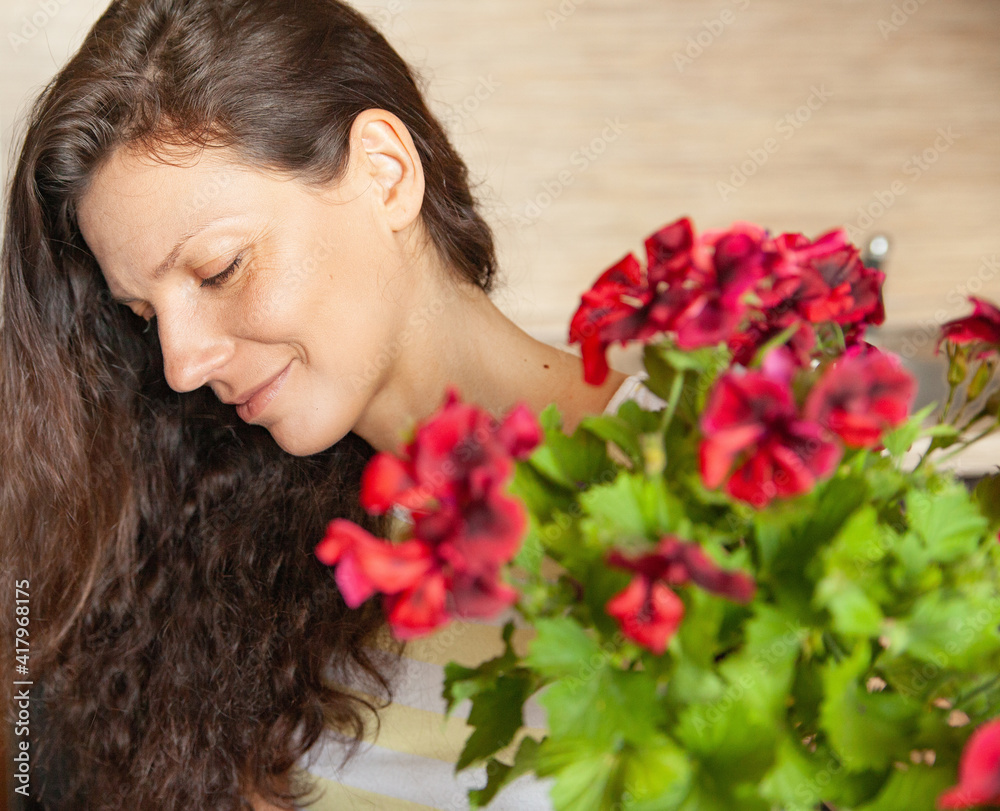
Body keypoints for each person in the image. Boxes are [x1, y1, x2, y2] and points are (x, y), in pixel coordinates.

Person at [0, 0, 645, 808]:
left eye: (219, 269)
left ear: (385, 173)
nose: (182, 365)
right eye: (143, 315)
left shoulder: (709, 465)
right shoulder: (228, 566)